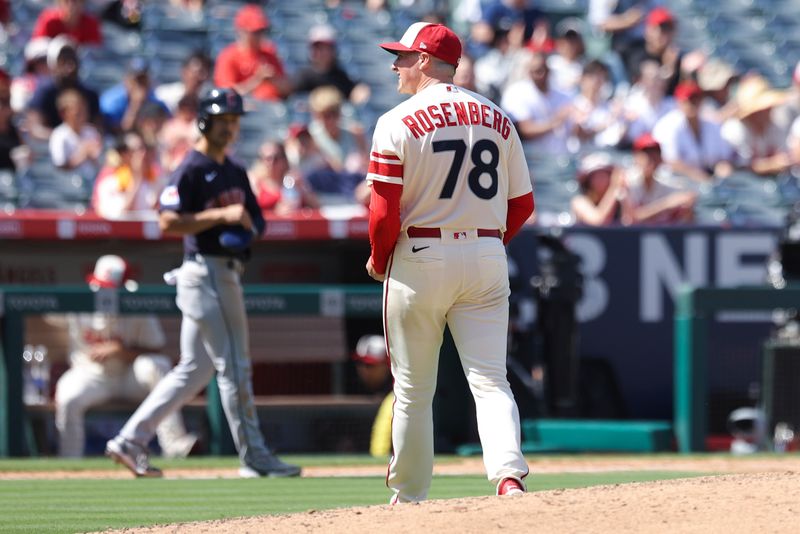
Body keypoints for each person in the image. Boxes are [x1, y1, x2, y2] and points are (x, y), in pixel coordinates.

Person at [365, 22, 533, 502]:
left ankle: (412, 495)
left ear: (423, 60)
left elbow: (382, 209)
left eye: (401, 56)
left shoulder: (396, 119)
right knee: (490, 379)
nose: (394, 64)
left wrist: (379, 258)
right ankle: (508, 477)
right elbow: (521, 204)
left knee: (414, 388)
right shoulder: (497, 115)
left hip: (420, 254)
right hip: (485, 252)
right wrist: (488, 240)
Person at [105, 88, 301, 479]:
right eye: (223, 121)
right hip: (205, 271)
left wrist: (244, 229)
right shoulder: (191, 168)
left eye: (234, 121)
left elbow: (256, 222)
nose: (230, 128)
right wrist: (222, 218)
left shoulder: (234, 170)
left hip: (226, 267)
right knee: (235, 366)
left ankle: (130, 439)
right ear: (204, 122)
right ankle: (255, 456)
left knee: (194, 369)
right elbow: (167, 221)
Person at [53, 255, 196, 458]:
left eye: (112, 287)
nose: (106, 291)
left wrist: (121, 350)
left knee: (157, 365)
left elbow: (157, 348)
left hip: (130, 375)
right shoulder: (82, 301)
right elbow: (44, 313)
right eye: (103, 285)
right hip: (91, 375)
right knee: (68, 396)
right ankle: (68, 460)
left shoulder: (136, 303)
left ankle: (175, 446)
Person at [26, 36, 101, 141]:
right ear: (53, 63)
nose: (70, 66)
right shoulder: (43, 93)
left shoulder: (90, 95)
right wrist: (64, 139)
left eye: (72, 59)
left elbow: (98, 128)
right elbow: (36, 129)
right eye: (63, 60)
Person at [213, 4, 291, 102]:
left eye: (262, 31)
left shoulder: (269, 52)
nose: (259, 36)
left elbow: (287, 89)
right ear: (241, 31)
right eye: (255, 32)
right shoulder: (228, 56)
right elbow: (226, 95)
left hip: (271, 110)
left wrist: (273, 79)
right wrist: (257, 80)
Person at [500, 51, 573, 156]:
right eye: (537, 71)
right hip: (533, 160)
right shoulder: (518, 92)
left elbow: (576, 130)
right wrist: (557, 120)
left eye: (544, 70)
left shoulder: (562, 95)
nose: (541, 75)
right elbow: (526, 129)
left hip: (560, 158)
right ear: (528, 71)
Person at [622, 133, 697, 224]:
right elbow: (631, 219)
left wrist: (686, 208)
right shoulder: (626, 181)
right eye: (646, 154)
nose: (651, 159)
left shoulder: (667, 182)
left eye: (655, 154)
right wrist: (667, 204)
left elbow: (686, 219)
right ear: (636, 157)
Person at [292, 24, 371, 105]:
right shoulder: (303, 76)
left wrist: (358, 92)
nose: (320, 52)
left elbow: (355, 92)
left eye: (324, 48)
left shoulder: (340, 77)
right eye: (317, 47)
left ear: (333, 50)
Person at [91, 131, 163, 219]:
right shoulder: (110, 179)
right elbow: (120, 215)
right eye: (137, 150)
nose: (143, 154)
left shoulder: (155, 178)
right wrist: (136, 178)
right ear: (123, 154)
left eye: (144, 149)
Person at [100, 57, 170, 134]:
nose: (139, 84)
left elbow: (169, 124)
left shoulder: (154, 99)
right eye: (136, 80)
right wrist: (135, 104)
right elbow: (118, 132)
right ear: (126, 80)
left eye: (143, 80)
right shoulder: (112, 100)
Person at [248, 140, 319, 214]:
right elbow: (252, 214)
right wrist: (275, 213)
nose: (271, 163)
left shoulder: (294, 181)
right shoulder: (256, 183)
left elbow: (316, 207)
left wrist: (303, 189)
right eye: (267, 158)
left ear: (284, 159)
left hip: (296, 223)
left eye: (276, 158)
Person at [351, 335, 393, 458]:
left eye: (370, 365)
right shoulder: (352, 387)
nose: (363, 370)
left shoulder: (398, 392)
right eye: (360, 363)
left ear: (386, 365)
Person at [49, 88, 103, 179]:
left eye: (84, 111)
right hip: (68, 186)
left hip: (92, 181)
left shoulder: (91, 131)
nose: (82, 115)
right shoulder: (59, 135)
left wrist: (95, 154)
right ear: (64, 113)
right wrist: (83, 154)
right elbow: (60, 167)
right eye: (78, 113)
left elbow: (100, 161)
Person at [571, 152, 625, 226]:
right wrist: (614, 187)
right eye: (596, 176)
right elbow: (599, 222)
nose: (600, 180)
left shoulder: (620, 199)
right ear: (588, 181)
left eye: (604, 175)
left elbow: (632, 221)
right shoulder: (579, 202)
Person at [32, 0, 102, 46]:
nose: (71, 6)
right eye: (66, 1)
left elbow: (95, 53)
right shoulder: (48, 21)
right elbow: (37, 51)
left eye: (75, 1)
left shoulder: (91, 24)